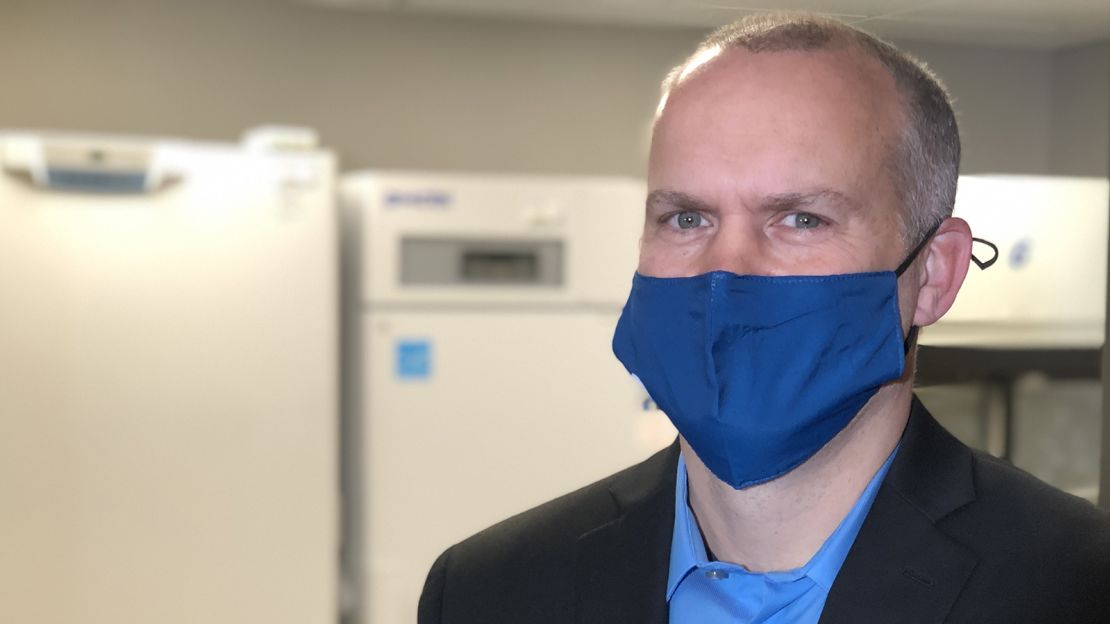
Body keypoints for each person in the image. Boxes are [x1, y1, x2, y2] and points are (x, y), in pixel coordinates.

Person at [417, 12, 1110, 624]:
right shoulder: (489, 590)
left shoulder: (1076, 587)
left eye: (801, 219)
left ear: (933, 274)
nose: (728, 272)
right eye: (686, 217)